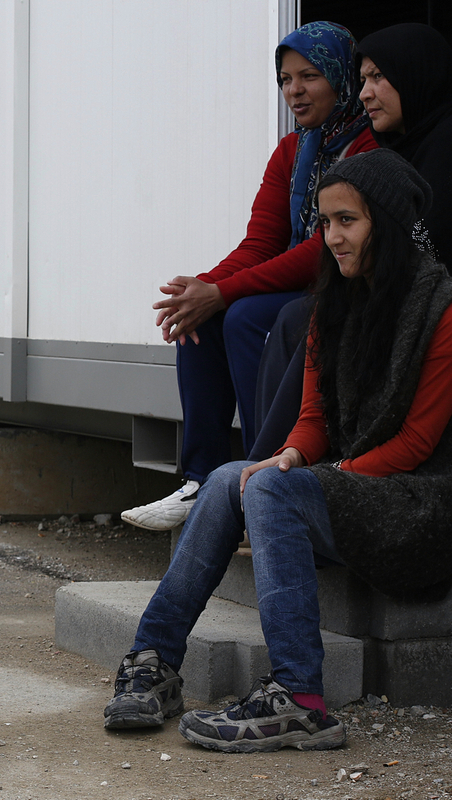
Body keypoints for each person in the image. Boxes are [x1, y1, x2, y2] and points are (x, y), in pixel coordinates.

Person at [103, 149, 452, 753]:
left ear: (387, 225)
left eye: (348, 221)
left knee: (268, 485)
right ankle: (155, 660)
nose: (332, 237)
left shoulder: (438, 309)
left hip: (417, 507)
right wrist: (291, 457)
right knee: (228, 477)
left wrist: (321, 478)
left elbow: (417, 443)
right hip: (351, 490)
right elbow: (314, 417)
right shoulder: (335, 303)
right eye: (325, 222)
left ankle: (301, 698)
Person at [122, 22, 376, 531]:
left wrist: (222, 293)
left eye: (309, 76)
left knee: (245, 316)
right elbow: (260, 244)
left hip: (351, 285)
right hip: (300, 283)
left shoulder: (369, 149)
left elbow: (318, 252)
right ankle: (202, 481)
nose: (294, 91)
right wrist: (197, 291)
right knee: (203, 322)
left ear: (341, 78)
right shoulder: (292, 150)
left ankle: (268, 478)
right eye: (285, 79)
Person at [248, 22, 452, 462]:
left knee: (300, 320)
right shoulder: (394, 144)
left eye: (379, 76)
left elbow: (421, 245)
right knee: (250, 318)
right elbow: (262, 240)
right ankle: (256, 469)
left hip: (425, 301)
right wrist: (212, 288)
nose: (365, 93)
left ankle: (264, 472)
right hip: (379, 288)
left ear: (416, 74)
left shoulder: (439, 148)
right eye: (363, 79)